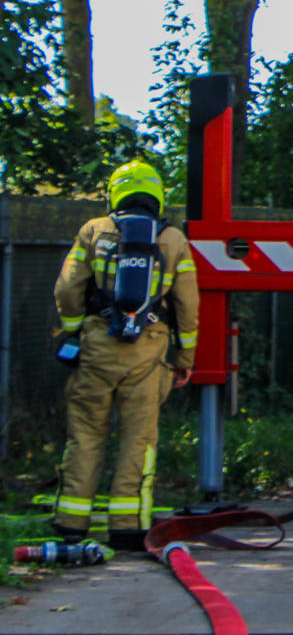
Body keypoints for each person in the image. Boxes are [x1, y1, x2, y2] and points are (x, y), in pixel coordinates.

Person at [51, 161, 199, 551]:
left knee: (85, 434)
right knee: (138, 439)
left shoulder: (94, 230)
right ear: (157, 196)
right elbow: (187, 305)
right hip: (148, 353)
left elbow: (67, 289)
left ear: (115, 193)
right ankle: (128, 527)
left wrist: (73, 329)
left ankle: (70, 523)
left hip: (97, 347)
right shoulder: (173, 239)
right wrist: (185, 359)